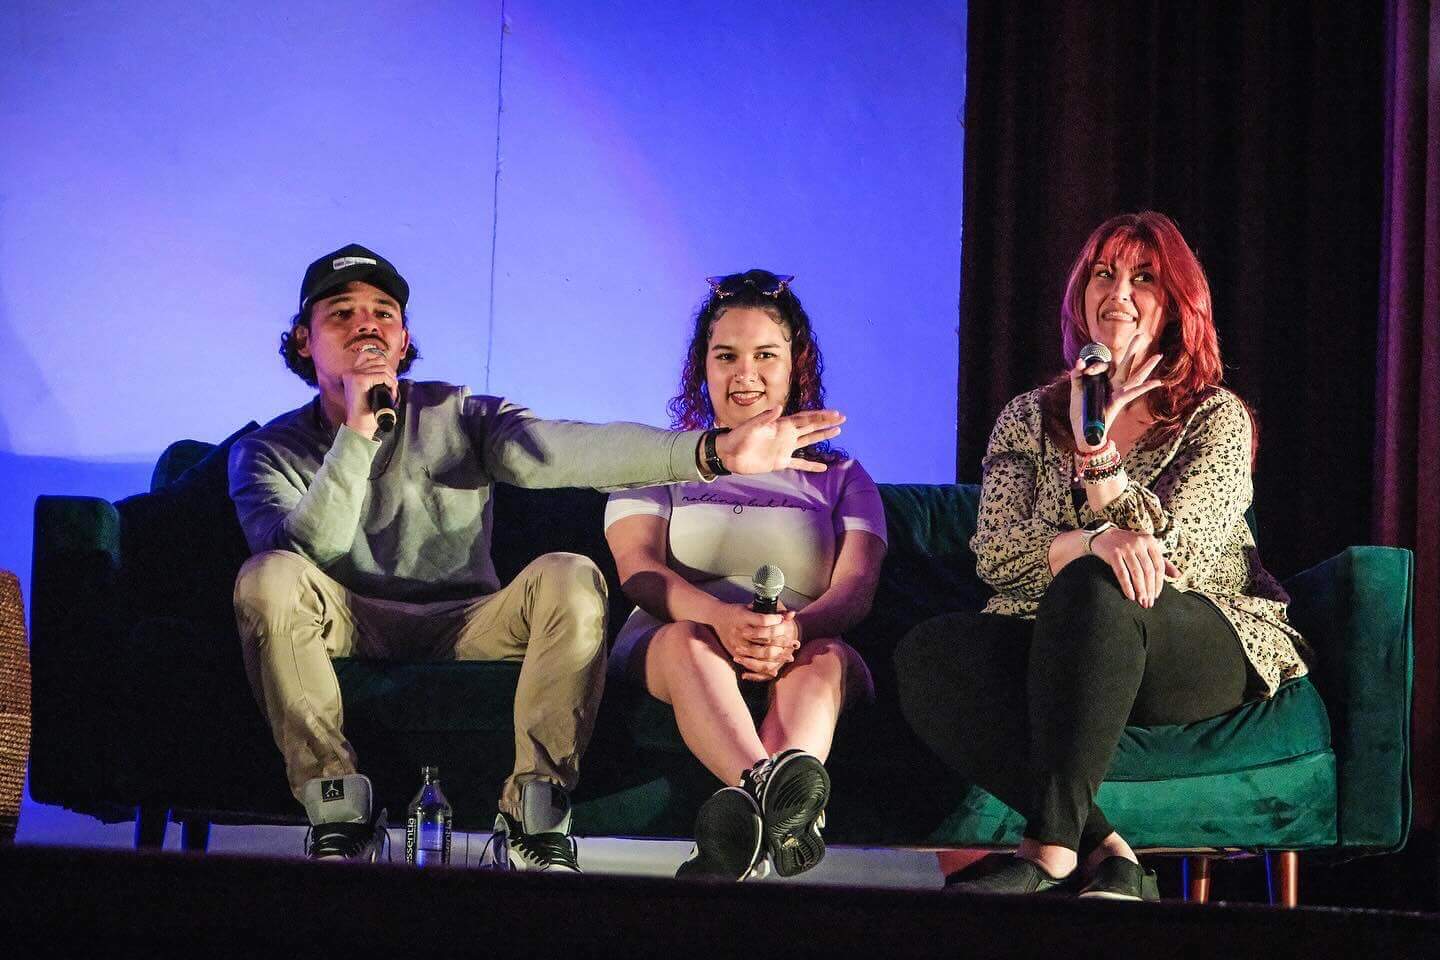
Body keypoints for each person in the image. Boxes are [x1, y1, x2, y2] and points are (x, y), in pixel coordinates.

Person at [229, 245, 843, 868]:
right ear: (304, 341)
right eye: (342, 314)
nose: (367, 325)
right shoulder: (264, 451)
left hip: (466, 623)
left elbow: (563, 450)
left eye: (383, 314)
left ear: (404, 337)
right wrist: (358, 436)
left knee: (570, 574)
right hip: (345, 619)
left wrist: (711, 452)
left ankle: (536, 810)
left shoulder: (458, 414)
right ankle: (337, 805)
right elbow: (308, 552)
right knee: (268, 576)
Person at [895, 212, 1307, 900]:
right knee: (927, 653)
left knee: (1096, 583)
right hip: (1054, 646)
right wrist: (1090, 539)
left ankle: (1051, 849)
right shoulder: (1027, 417)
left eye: (1144, 278)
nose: (1118, 291)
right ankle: (1110, 853)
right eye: (1103, 273)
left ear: (1177, 306)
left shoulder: (1215, 416)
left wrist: (1099, 456)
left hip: (1190, 639)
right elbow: (995, 554)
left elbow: (1173, 556)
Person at [604, 270, 887, 881]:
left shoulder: (843, 475)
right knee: (686, 644)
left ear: (796, 363)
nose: (745, 374)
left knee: (827, 659)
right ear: (701, 365)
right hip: (676, 636)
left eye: (765, 355)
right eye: (725, 356)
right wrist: (721, 619)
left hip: (804, 642)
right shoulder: (662, 461)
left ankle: (749, 836)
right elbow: (637, 570)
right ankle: (777, 800)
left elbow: (857, 588)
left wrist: (792, 631)